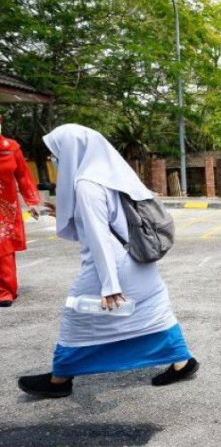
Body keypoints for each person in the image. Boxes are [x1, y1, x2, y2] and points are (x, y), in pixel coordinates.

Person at [17, 124, 198, 398]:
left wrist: (110, 285)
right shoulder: (113, 175)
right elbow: (113, 223)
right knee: (154, 312)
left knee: (76, 315)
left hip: (115, 266)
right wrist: (68, 214)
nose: (56, 159)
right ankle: (182, 361)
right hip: (140, 261)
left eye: (57, 153)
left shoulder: (87, 184)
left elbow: (101, 238)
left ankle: (60, 379)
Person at [0, 114, 41, 307]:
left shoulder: (11, 148)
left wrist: (32, 201)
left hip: (5, 208)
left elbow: (23, 176)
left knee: (4, 248)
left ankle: (5, 290)